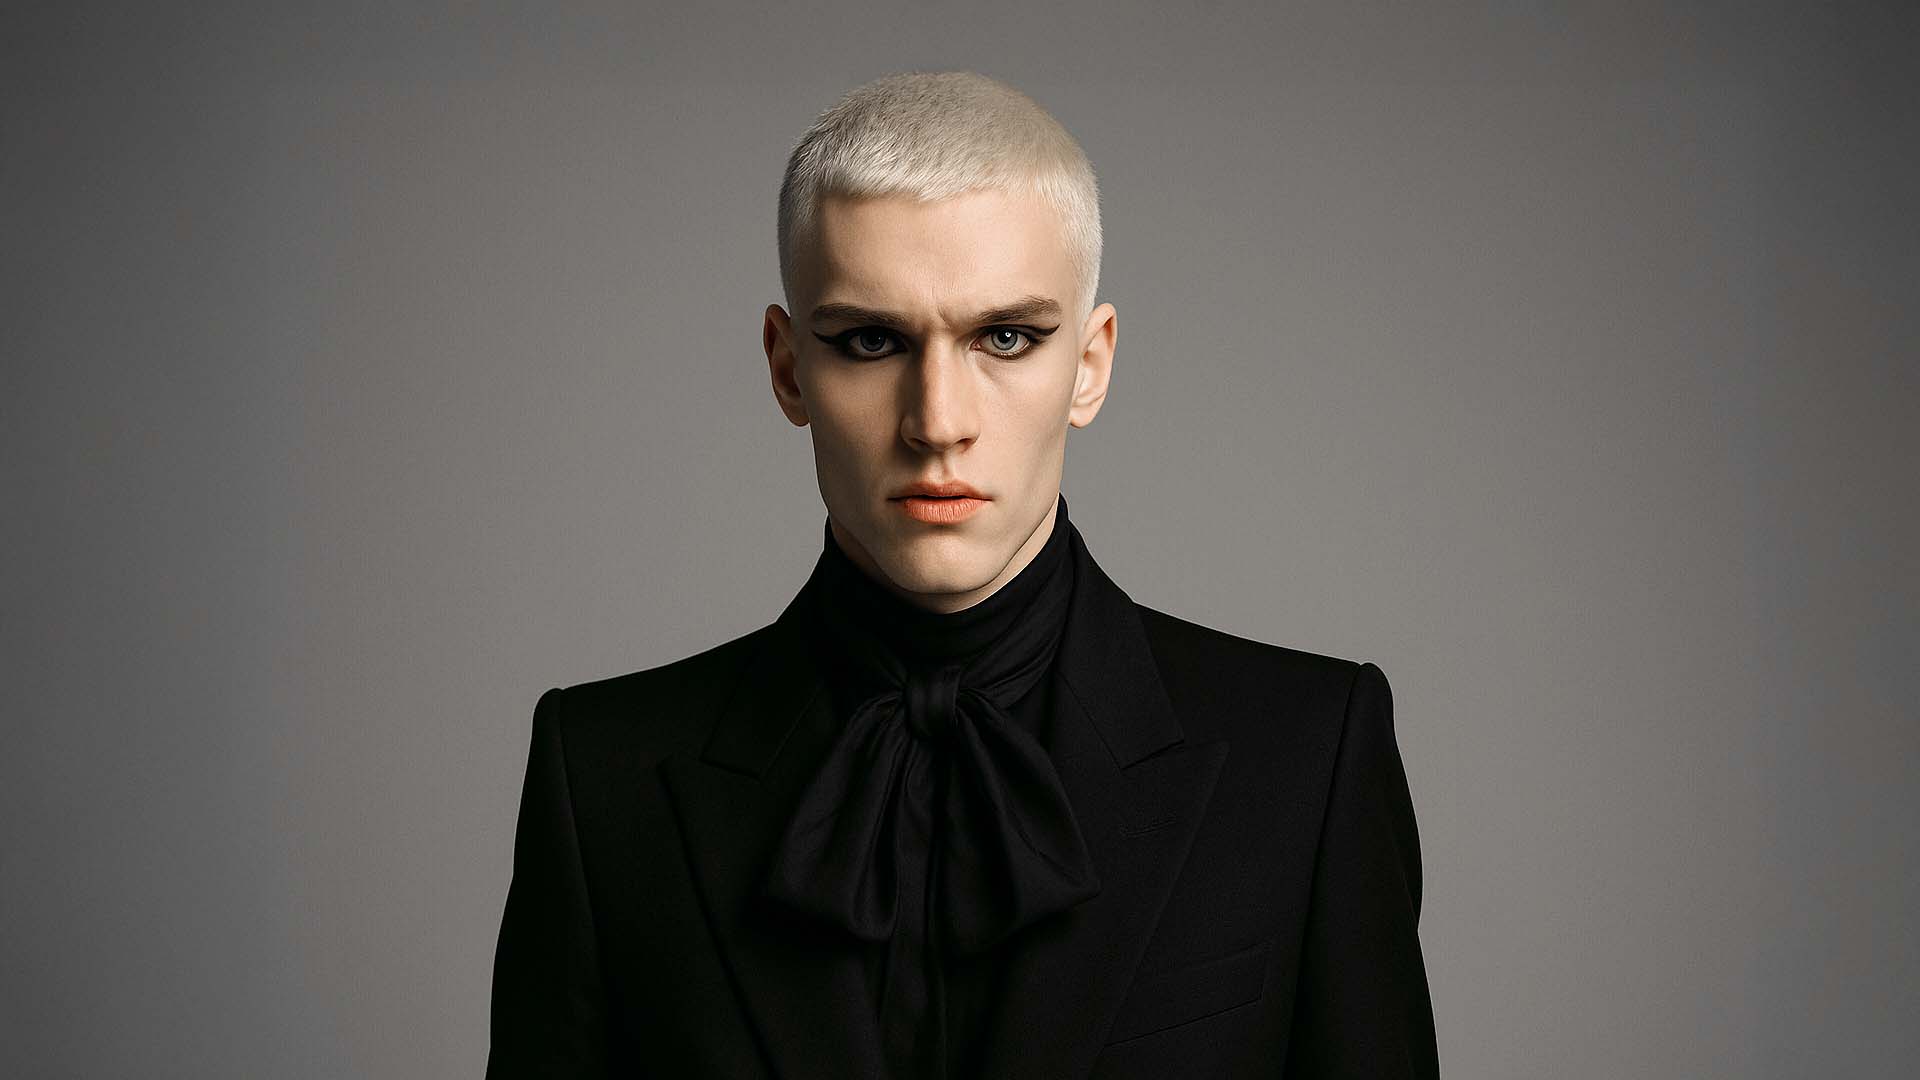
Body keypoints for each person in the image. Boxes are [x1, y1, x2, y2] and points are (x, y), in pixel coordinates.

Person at [487, 70, 1438, 1079]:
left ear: (1090, 366)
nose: (937, 422)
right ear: (787, 367)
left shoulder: (1307, 756)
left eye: (1006, 337)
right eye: (870, 341)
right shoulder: (602, 776)